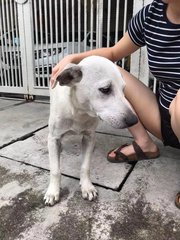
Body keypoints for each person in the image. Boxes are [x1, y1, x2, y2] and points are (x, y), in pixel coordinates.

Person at [51, 0, 180, 208]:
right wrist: (74, 57)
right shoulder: (151, 15)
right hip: (164, 117)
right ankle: (144, 144)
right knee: (113, 74)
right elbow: (112, 54)